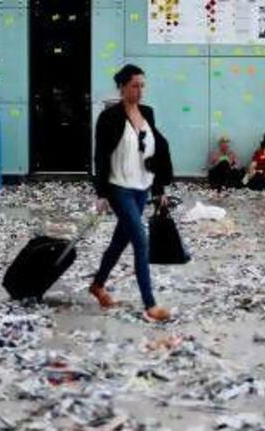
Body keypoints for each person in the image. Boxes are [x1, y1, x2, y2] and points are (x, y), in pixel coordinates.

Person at [91, 64, 173, 323]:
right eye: (135, 85)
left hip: (142, 187)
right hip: (119, 188)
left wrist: (159, 189)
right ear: (123, 87)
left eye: (142, 85)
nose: (140, 91)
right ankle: (150, 305)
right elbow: (101, 156)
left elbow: (155, 152)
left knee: (120, 241)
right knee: (141, 241)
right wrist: (101, 193)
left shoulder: (148, 113)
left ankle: (97, 285)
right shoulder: (109, 117)